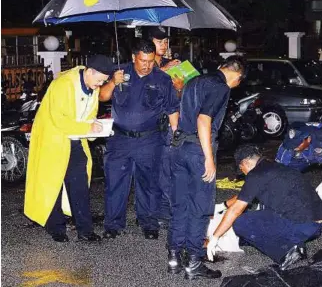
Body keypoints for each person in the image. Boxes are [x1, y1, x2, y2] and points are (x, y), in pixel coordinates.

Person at [24, 55, 117, 242]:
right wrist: (87, 128)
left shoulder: (91, 85)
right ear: (89, 72)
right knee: (53, 186)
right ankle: (56, 229)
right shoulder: (63, 84)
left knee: (80, 186)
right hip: (53, 142)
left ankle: (85, 231)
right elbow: (58, 120)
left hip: (75, 141)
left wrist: (96, 128)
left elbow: (88, 116)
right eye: (99, 80)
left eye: (103, 81)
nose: (100, 85)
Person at [167, 56, 244, 280]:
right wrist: (208, 157)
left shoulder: (195, 81)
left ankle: (173, 257)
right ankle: (193, 262)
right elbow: (203, 121)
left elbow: (180, 111)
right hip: (197, 150)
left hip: (179, 148)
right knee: (199, 208)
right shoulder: (220, 87)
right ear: (237, 76)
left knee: (180, 204)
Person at [99, 39, 180, 240]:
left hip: (150, 140)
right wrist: (112, 83)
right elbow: (102, 97)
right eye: (143, 60)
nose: (147, 65)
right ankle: (113, 224)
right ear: (134, 57)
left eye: (151, 61)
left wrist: (176, 133)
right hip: (120, 140)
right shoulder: (119, 73)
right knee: (115, 183)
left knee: (149, 184)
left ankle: (148, 222)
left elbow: (172, 109)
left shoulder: (162, 79)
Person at [208, 144, 322, 270]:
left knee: (240, 222)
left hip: (302, 226)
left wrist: (215, 237)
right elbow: (242, 196)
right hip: (315, 224)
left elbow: (236, 209)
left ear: (245, 162)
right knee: (263, 211)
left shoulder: (256, 175)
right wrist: (221, 206)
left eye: (241, 168)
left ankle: (287, 253)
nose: (242, 172)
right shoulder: (273, 168)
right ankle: (295, 243)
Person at [149, 26, 184, 227]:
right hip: (151, 124)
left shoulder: (166, 63)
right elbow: (144, 83)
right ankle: (158, 212)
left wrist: (179, 87)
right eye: (159, 41)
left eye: (165, 42)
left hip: (170, 121)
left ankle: (166, 210)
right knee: (159, 170)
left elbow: (174, 97)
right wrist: (164, 70)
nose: (164, 45)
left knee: (169, 168)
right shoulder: (145, 64)